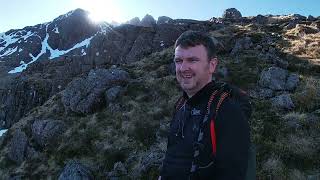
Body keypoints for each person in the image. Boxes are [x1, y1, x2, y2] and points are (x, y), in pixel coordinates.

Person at [159, 30, 250, 180]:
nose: (183, 68)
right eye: (178, 61)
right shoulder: (180, 105)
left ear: (212, 65)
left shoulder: (227, 112)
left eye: (192, 60)